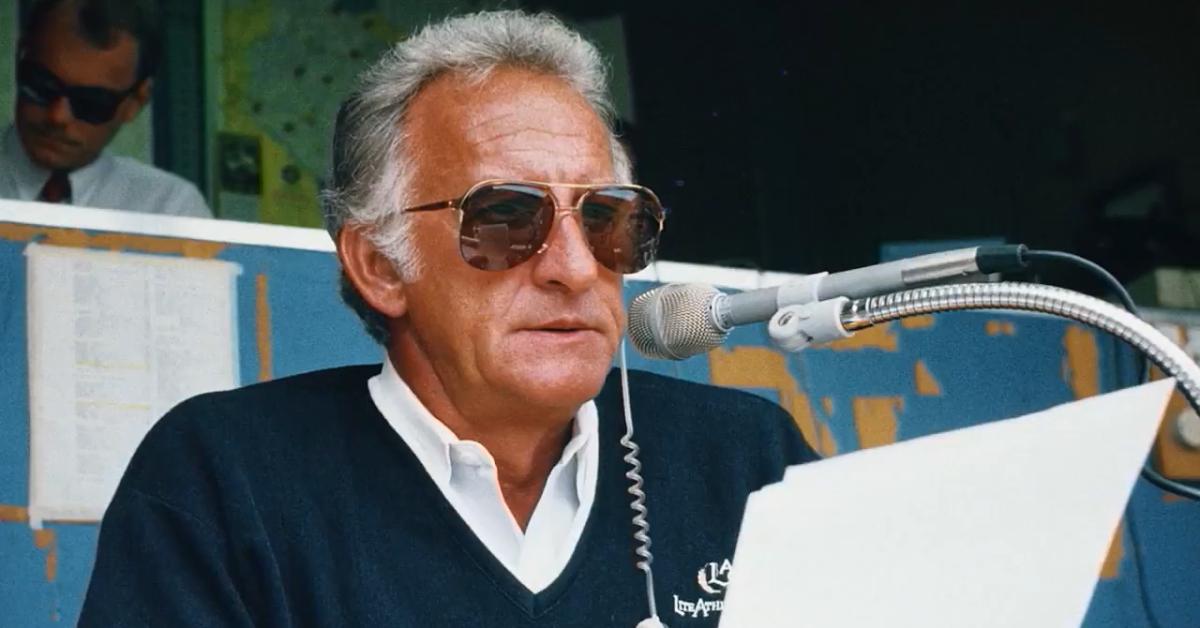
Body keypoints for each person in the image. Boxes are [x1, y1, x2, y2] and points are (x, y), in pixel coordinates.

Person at [78, 10, 816, 627]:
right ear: (380, 265)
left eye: (607, 219)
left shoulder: (747, 460)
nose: (575, 265)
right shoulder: (223, 481)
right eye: (505, 217)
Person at [0, 0, 211, 217]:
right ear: (19, 58)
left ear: (136, 102)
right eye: (41, 85)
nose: (58, 116)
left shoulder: (170, 210)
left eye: (91, 102)